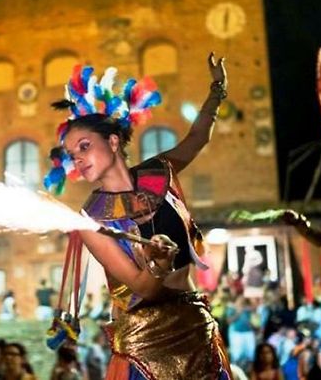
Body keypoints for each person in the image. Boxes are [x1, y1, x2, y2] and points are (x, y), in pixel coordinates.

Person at [44, 55, 232, 379]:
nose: (78, 159)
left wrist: (218, 89)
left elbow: (197, 138)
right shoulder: (91, 220)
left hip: (195, 325)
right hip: (148, 343)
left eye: (85, 146)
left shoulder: (158, 173)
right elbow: (144, 289)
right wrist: (156, 264)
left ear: (113, 141)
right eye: (73, 155)